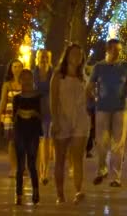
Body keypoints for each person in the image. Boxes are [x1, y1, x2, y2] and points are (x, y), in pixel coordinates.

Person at [87, 39, 127, 188]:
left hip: (120, 109)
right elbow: (89, 87)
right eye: (115, 49)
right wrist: (93, 99)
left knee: (118, 144)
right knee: (101, 141)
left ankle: (116, 177)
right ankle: (102, 170)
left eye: (119, 50)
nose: (117, 53)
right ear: (108, 49)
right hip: (102, 108)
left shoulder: (125, 66)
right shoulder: (99, 67)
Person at [50, 44, 90, 204]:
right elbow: (53, 101)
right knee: (60, 158)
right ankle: (60, 194)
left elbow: (87, 97)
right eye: (73, 54)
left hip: (80, 119)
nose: (76, 57)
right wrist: (55, 121)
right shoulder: (59, 76)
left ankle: (78, 191)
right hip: (62, 119)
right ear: (67, 56)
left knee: (78, 157)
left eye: (80, 55)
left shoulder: (83, 77)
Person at [13, 69, 42, 206]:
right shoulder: (17, 98)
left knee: (31, 164)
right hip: (20, 134)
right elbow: (14, 117)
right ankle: (18, 194)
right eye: (23, 78)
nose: (26, 81)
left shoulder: (37, 97)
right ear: (20, 81)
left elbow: (40, 116)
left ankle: (36, 191)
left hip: (33, 134)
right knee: (20, 166)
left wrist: (32, 114)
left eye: (28, 78)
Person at [0, 59, 23, 177]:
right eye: (14, 67)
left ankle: (22, 167)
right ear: (11, 69)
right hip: (10, 115)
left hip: (23, 115)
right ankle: (14, 168)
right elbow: (3, 101)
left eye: (19, 66)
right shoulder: (7, 85)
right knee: (12, 142)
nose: (17, 69)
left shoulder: (26, 83)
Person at [34, 49, 53, 186]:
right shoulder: (32, 73)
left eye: (46, 57)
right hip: (35, 110)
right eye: (41, 57)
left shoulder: (54, 74)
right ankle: (39, 169)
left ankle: (45, 170)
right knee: (38, 142)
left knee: (46, 140)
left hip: (50, 110)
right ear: (37, 58)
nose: (44, 59)